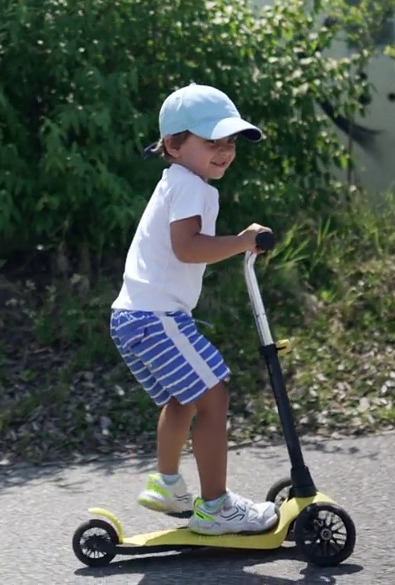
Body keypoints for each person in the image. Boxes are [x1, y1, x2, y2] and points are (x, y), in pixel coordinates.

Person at [109, 83, 279, 536]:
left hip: (134, 316)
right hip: (156, 316)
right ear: (172, 145)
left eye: (230, 143)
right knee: (215, 393)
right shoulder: (191, 187)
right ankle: (216, 508)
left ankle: (167, 484)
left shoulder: (179, 181)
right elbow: (187, 248)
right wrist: (243, 242)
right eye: (212, 143)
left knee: (183, 396)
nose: (224, 152)